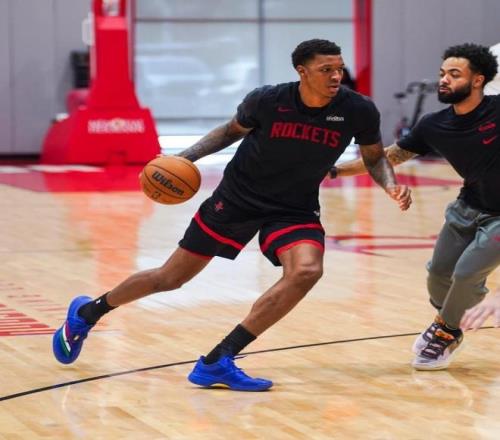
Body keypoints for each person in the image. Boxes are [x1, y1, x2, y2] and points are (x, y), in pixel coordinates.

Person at [52, 39, 411, 391]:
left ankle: (218, 360)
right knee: (169, 278)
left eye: (339, 68)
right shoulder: (268, 100)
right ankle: (87, 313)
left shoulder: (358, 109)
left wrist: (390, 185)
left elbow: (374, 157)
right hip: (238, 199)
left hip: (294, 207)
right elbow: (228, 132)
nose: (336, 76)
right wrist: (183, 159)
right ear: (302, 72)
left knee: (306, 271)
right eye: (326, 69)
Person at [331, 43, 500, 371]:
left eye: (454, 74)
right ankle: (450, 321)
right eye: (442, 73)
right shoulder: (434, 124)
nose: (444, 80)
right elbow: (389, 156)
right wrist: (335, 171)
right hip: (466, 208)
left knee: (466, 274)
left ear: (478, 80)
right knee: (438, 275)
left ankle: (445, 332)